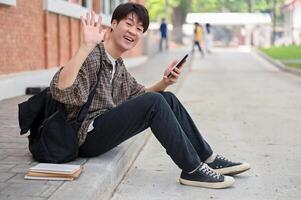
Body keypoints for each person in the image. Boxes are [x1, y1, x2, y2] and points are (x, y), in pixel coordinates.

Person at [50, 3, 250, 189]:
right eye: (128, 24)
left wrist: (165, 82)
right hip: (85, 136)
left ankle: (208, 158)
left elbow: (140, 96)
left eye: (139, 28)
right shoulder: (94, 56)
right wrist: (85, 47)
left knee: (166, 98)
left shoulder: (117, 65)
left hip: (102, 129)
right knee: (155, 101)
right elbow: (62, 91)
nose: (133, 31)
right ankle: (191, 169)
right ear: (113, 24)